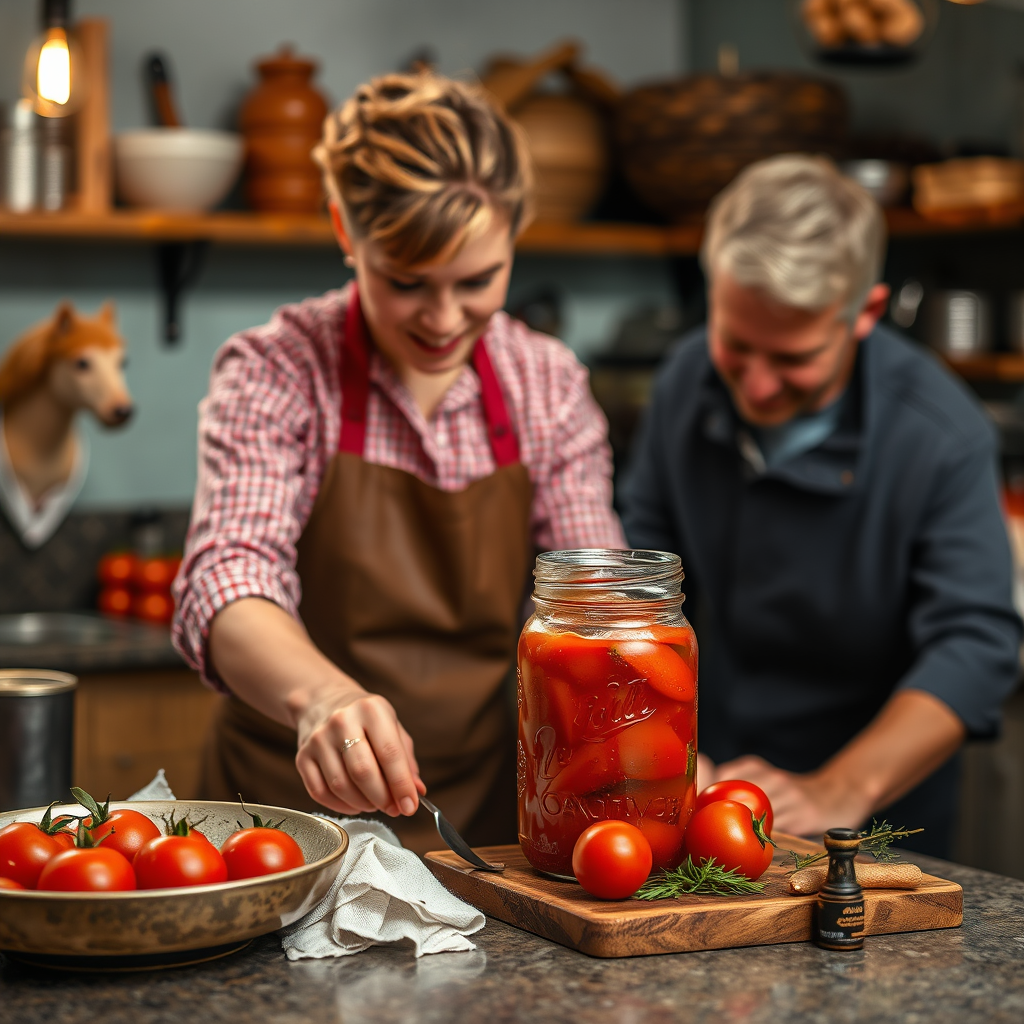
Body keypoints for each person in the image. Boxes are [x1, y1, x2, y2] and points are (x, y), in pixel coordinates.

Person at [172, 72, 624, 853]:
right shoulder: (280, 368)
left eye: (478, 280)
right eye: (406, 282)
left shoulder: (546, 384)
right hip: (279, 831)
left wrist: (635, 729)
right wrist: (322, 699)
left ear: (515, 230)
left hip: (483, 829)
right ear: (348, 236)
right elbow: (228, 574)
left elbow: (589, 597)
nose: (445, 320)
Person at [621, 154, 1022, 856]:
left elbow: (976, 644)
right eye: (737, 345)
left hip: (882, 813)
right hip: (711, 785)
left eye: (794, 357)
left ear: (865, 312)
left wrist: (841, 789)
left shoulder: (941, 433)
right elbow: (637, 579)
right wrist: (667, 744)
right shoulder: (686, 380)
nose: (759, 386)